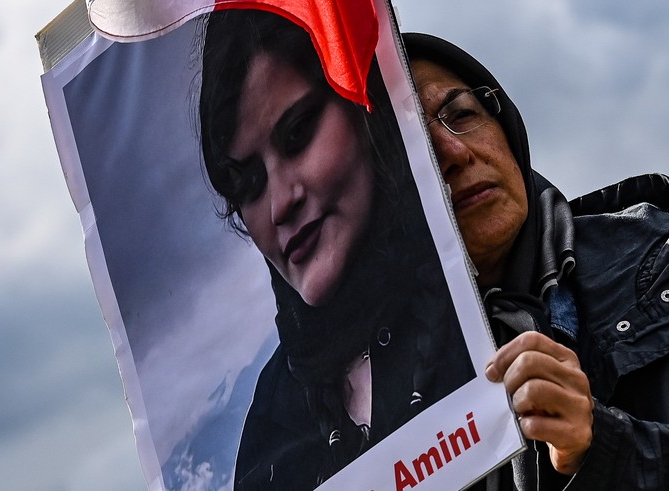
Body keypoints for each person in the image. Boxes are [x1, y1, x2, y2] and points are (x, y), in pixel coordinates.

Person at [403, 32, 669, 490]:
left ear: (505, 124)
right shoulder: (365, 396)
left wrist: (605, 447)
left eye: (461, 114)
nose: (453, 153)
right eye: (411, 147)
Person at [198, 11, 474, 489]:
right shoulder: (272, 420)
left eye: (298, 134)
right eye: (249, 183)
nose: (282, 203)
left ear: (364, 104)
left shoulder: (489, 276)